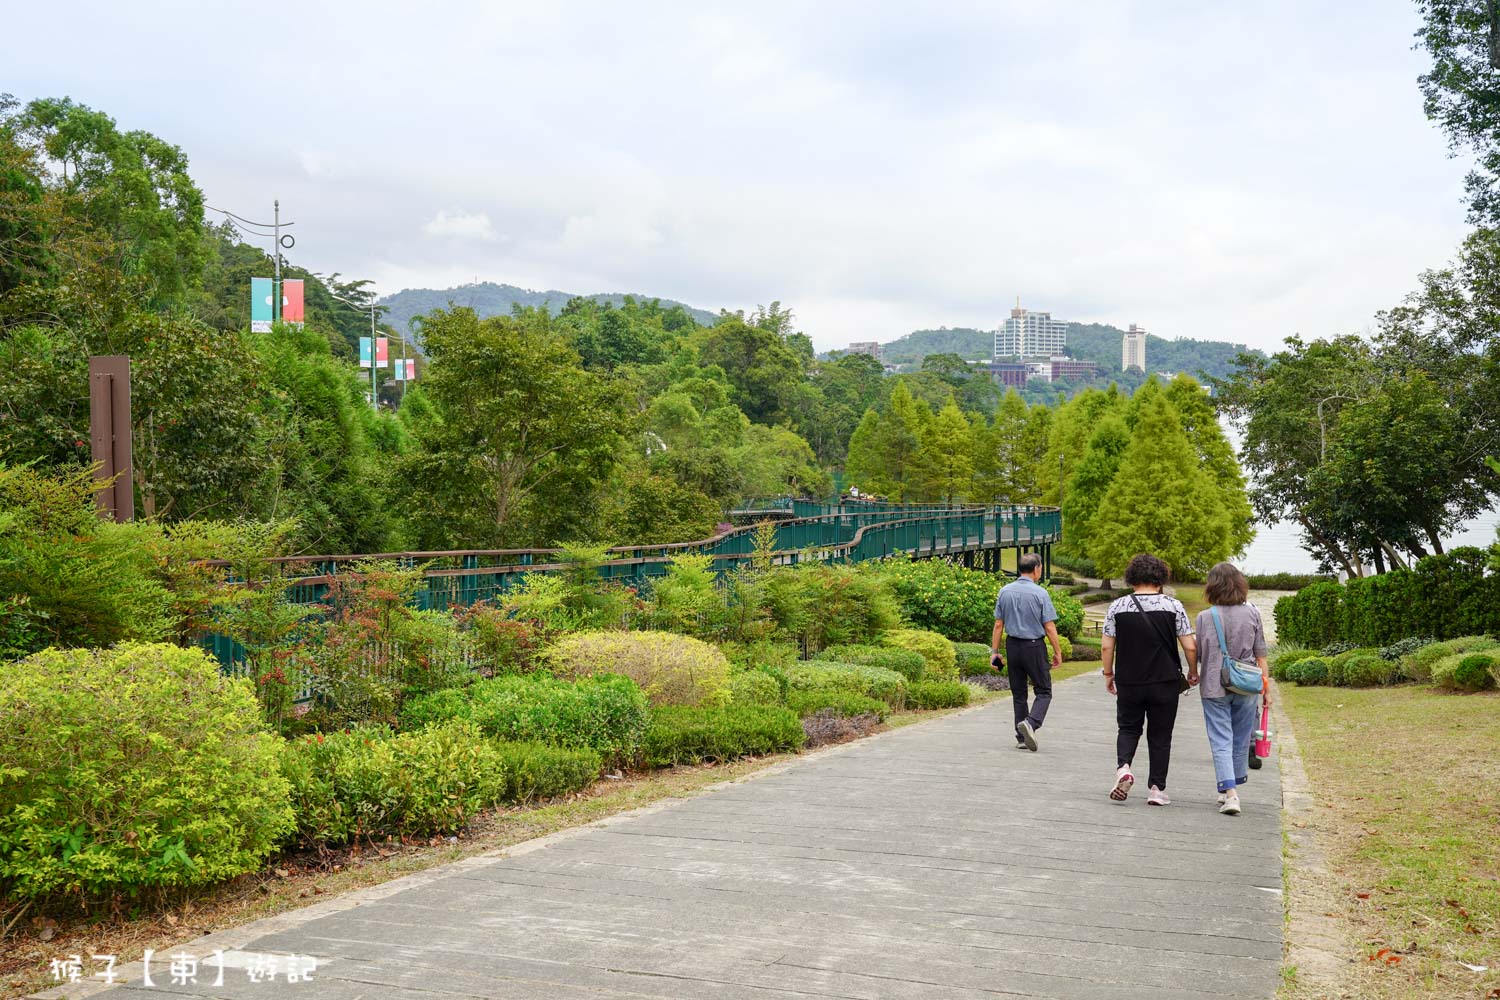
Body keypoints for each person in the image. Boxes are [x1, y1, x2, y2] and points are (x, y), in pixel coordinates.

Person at [1100, 553, 1197, 806]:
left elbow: (1107, 647)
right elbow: (1190, 646)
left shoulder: (1117, 607)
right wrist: (1192, 671)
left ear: (1132, 577)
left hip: (1129, 680)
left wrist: (1108, 674)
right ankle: (1156, 789)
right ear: (1160, 577)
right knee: (1161, 735)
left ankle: (1124, 768)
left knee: (1128, 728)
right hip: (1164, 681)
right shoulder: (1173, 606)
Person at [1194, 561, 1271, 816]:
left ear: (1211, 587)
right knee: (1239, 738)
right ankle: (1231, 786)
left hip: (1214, 685)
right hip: (1247, 684)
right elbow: (1261, 654)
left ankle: (1230, 793)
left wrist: (1193, 672)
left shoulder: (1205, 617)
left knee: (1221, 739)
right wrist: (1266, 687)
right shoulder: (1252, 613)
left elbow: (1201, 654)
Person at [991, 553, 1064, 752]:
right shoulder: (1040, 593)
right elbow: (1049, 626)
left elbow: (998, 625)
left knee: (1019, 693)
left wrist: (994, 652)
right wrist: (1058, 651)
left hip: (1012, 646)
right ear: (1037, 569)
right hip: (1033, 646)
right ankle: (1031, 723)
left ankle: (1022, 737)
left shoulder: (1004, 591)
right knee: (1044, 690)